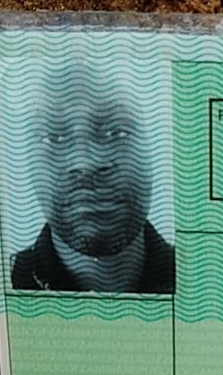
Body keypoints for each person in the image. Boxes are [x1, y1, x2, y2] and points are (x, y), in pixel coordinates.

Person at [10, 61, 174, 293]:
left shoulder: (213, 279)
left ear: (152, 150)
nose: (85, 163)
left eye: (116, 132)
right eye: (54, 138)